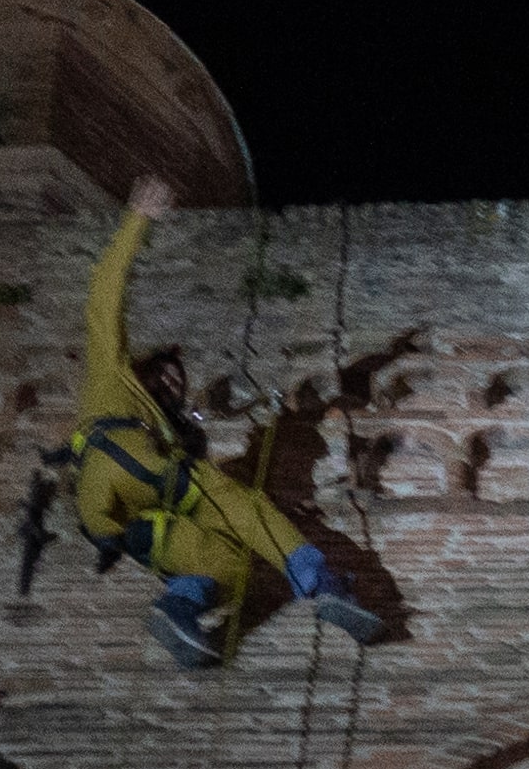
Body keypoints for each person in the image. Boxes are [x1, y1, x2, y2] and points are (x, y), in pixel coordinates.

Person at [70, 176, 382, 670]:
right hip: (116, 471)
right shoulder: (112, 381)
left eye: (179, 382)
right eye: (165, 377)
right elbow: (103, 300)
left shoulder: (165, 434)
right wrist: (138, 219)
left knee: (233, 564)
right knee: (234, 499)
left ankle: (181, 606)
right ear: (143, 372)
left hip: (135, 521)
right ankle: (318, 578)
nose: (174, 385)